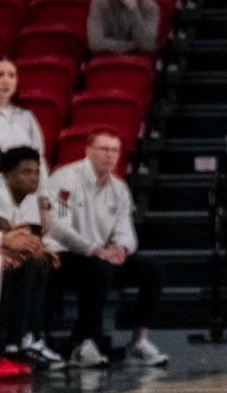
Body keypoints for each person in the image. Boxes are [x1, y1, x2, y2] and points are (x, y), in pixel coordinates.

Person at [44, 130, 169, 367]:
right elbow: (59, 227)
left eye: (114, 150)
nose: (109, 155)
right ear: (88, 151)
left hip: (99, 256)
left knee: (153, 268)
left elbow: (126, 231)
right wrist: (94, 249)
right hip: (62, 255)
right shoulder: (65, 180)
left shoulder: (119, 189)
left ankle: (138, 341)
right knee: (100, 268)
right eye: (104, 149)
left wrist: (121, 248)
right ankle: (83, 342)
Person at [0, 146, 63, 369]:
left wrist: (32, 246)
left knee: (37, 261)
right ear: (7, 174)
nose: (33, 178)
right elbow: (4, 232)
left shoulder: (25, 197)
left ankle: (27, 337)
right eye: (26, 172)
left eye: (36, 172)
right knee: (12, 262)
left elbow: (24, 232)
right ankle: (5, 341)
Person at [0, 58, 48, 181]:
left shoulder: (26, 117)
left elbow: (39, 159)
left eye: (11, 75)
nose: (6, 81)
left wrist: (44, 190)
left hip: (24, 188)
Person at [87, 0, 160, 55]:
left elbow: (147, 44)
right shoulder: (98, 4)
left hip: (139, 58)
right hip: (109, 57)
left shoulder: (149, 5)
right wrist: (132, 46)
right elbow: (95, 44)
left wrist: (133, 10)